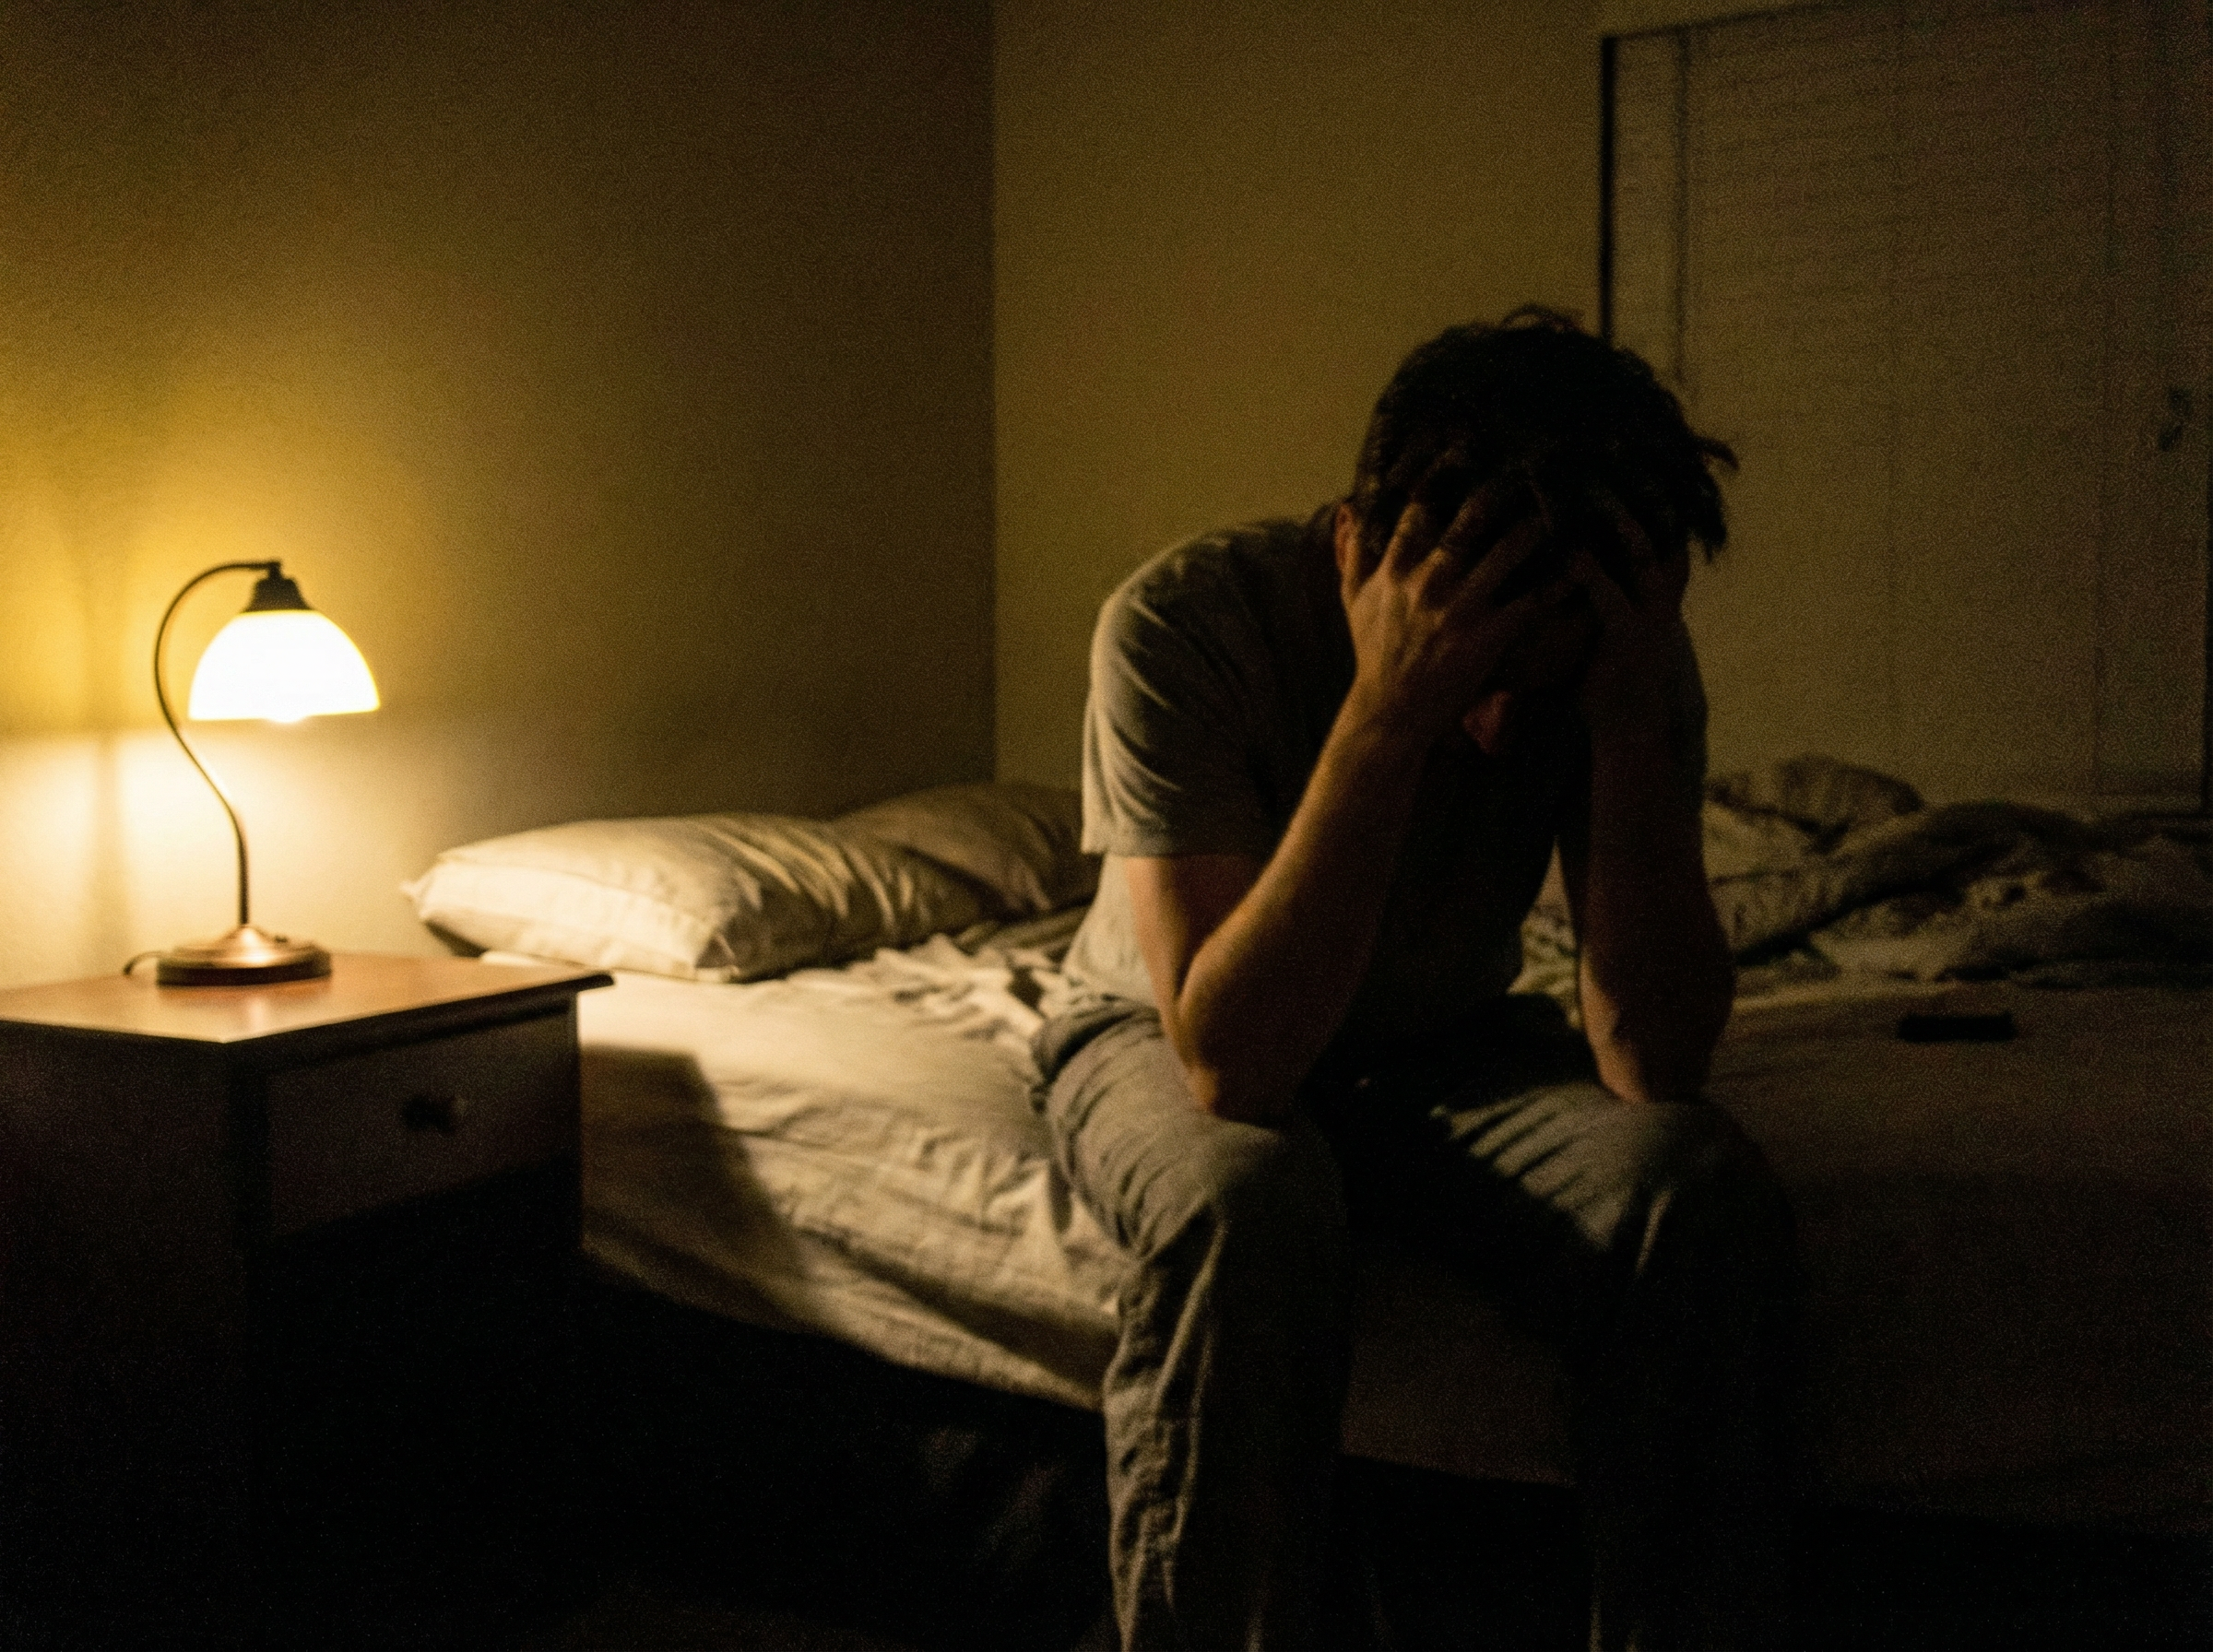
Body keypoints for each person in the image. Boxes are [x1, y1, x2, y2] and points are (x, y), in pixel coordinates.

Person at [1032, 308, 1800, 1652]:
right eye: (1482, 669)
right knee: (1250, 1197)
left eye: (1538, 684)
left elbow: (1651, 1060)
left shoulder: (1613, 649)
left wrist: (1624, 719)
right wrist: (1390, 713)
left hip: (1443, 1041)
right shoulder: (1182, 623)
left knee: (1695, 1186)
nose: (1504, 727)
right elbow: (1234, 1064)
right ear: (1357, 548)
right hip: (1168, 1029)